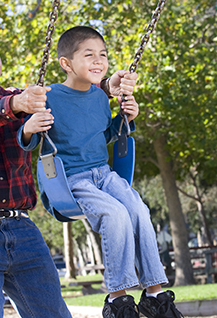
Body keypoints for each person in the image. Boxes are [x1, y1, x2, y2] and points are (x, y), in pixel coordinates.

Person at [0, 21, 137, 318]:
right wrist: (14, 103)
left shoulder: (22, 101)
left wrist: (105, 86)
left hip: (21, 227)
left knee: (53, 314)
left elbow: (66, 96)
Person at [17, 26, 184, 318]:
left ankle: (155, 294)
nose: (99, 61)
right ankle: (117, 300)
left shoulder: (98, 97)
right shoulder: (49, 95)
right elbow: (27, 140)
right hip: (69, 181)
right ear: (66, 64)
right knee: (115, 215)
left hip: (104, 175)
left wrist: (126, 119)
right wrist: (30, 128)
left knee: (137, 209)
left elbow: (103, 134)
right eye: (89, 55)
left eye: (103, 55)